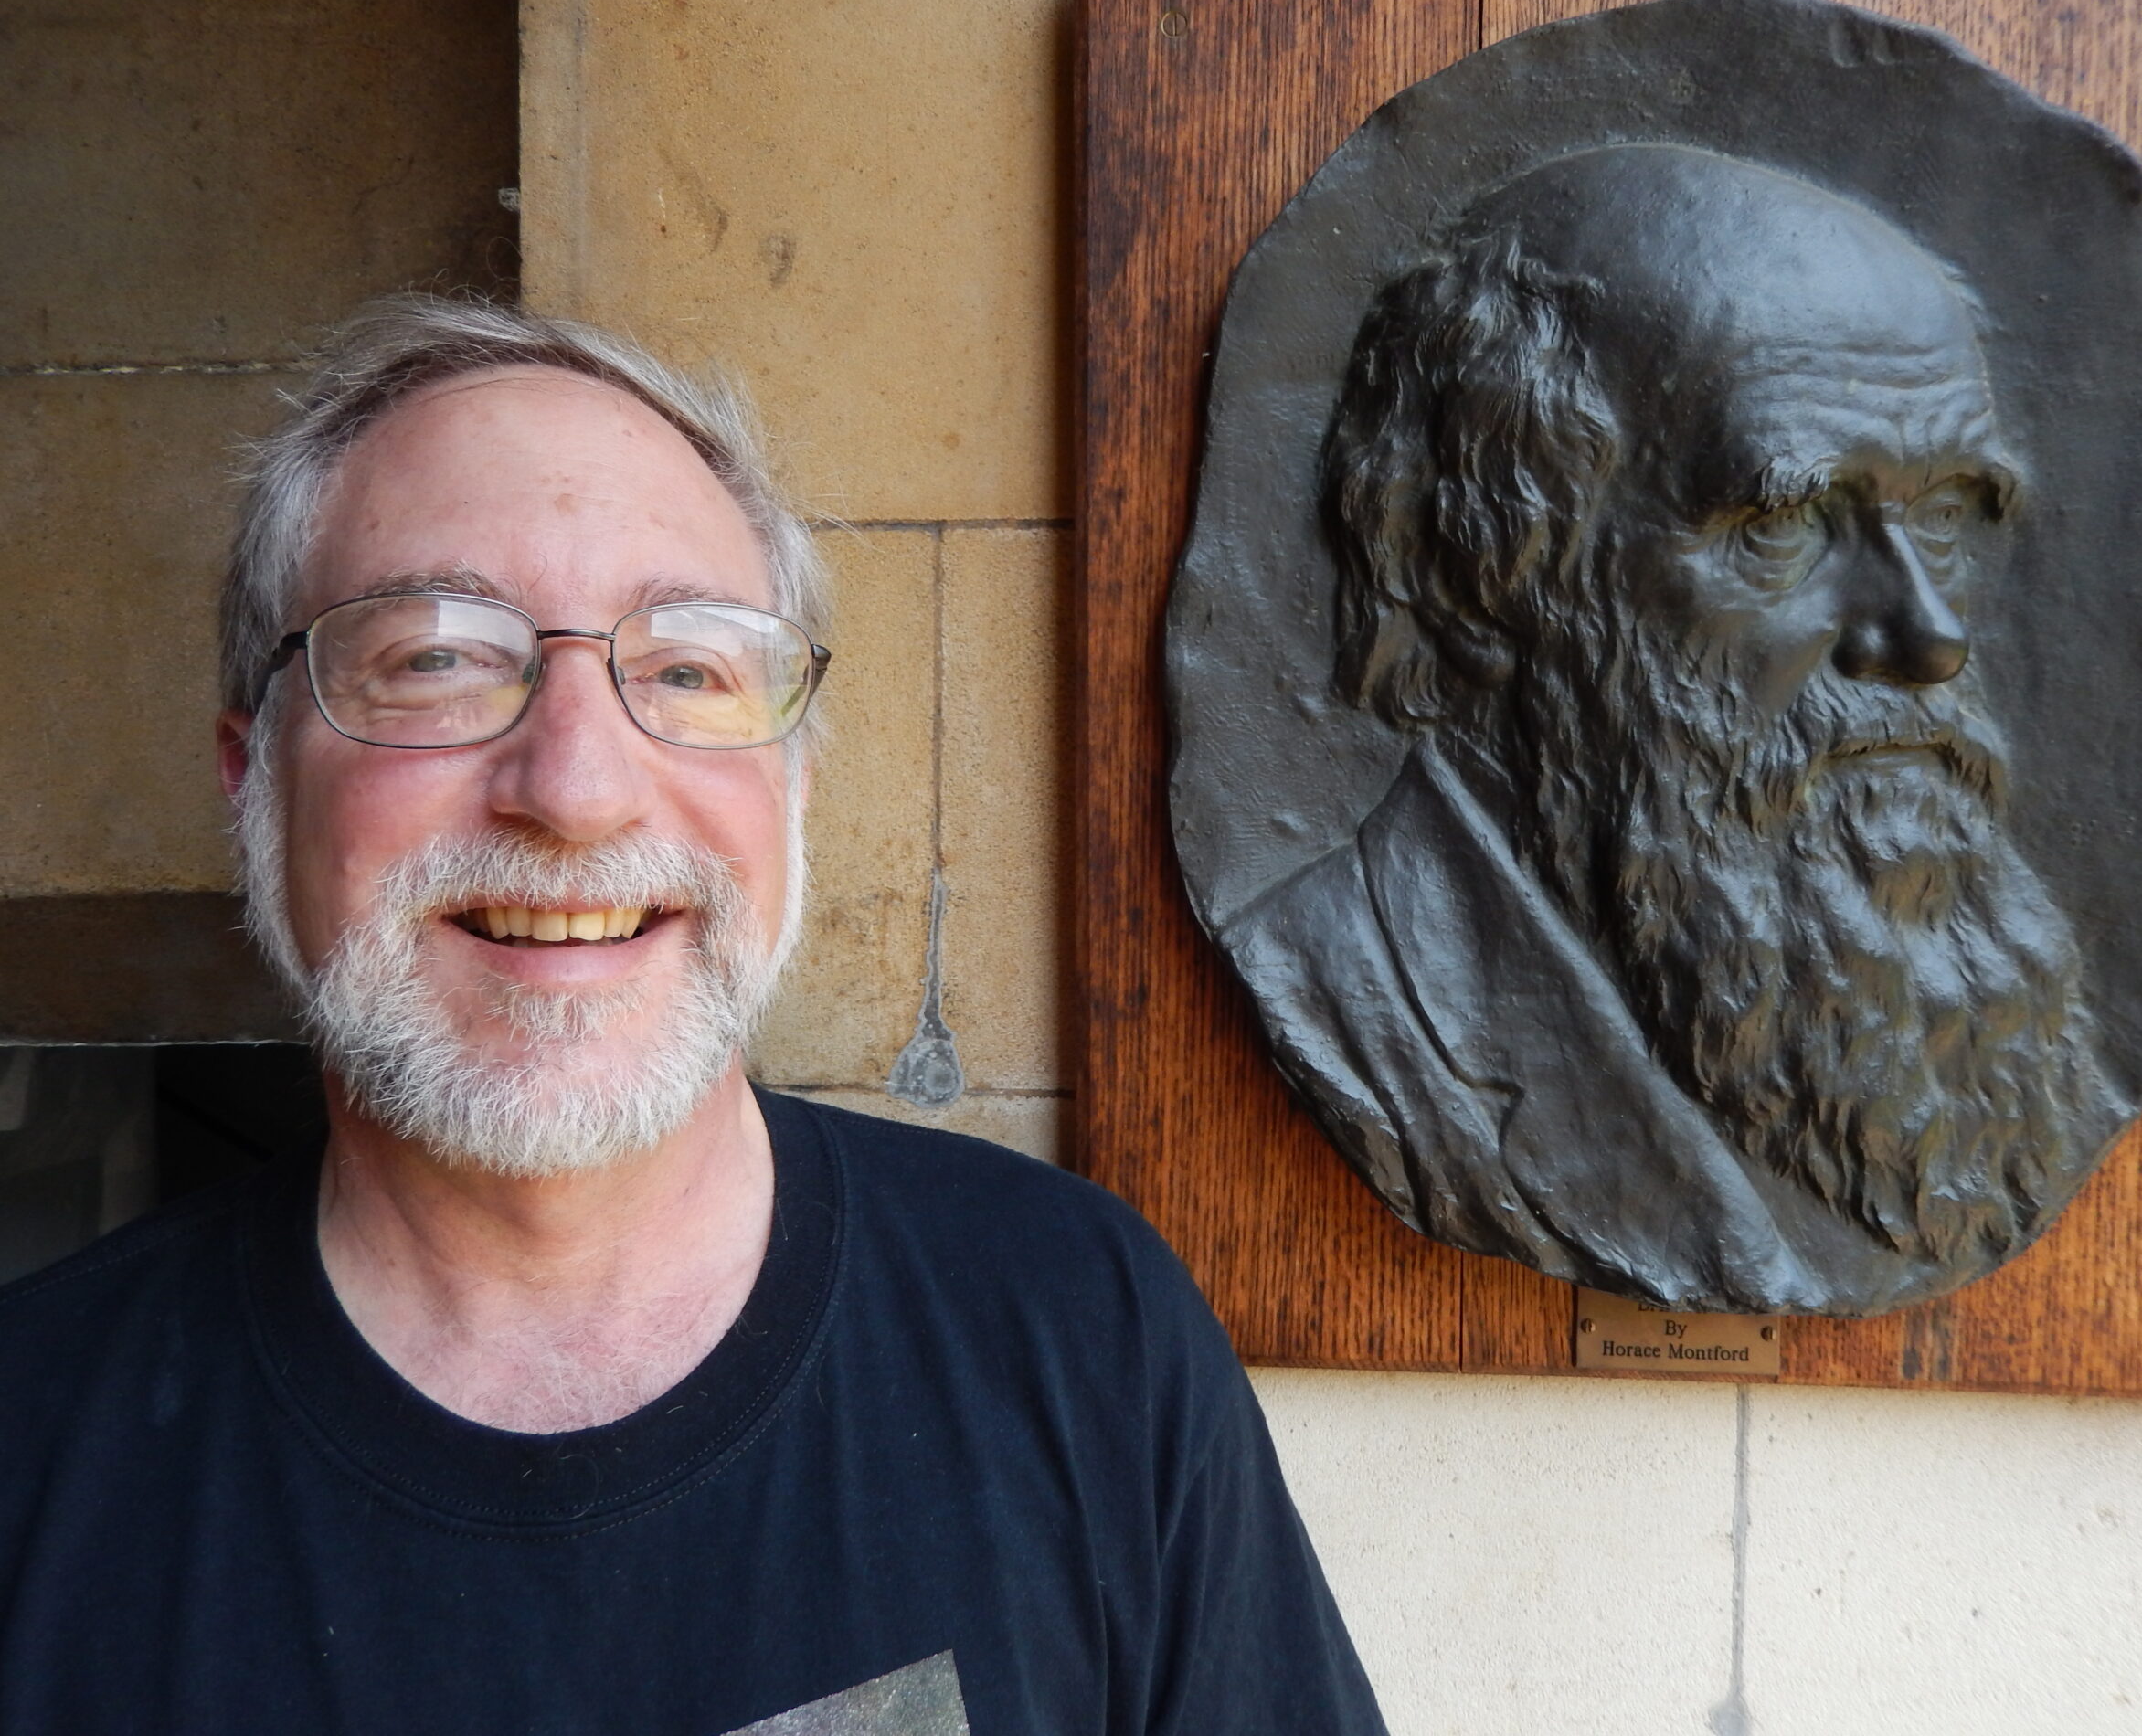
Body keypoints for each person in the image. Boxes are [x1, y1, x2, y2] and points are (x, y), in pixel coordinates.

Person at [0, 298, 1386, 1735]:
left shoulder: (1079, 1335)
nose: (578, 788)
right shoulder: (32, 1454)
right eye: (437, 659)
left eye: (685, 670)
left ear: (791, 781)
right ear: (254, 779)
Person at [1229, 143, 2123, 1317]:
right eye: (1786, 523)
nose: (1928, 638)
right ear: (1479, 573)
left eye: (1947, 512)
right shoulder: (1344, 1003)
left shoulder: (2031, 1055)